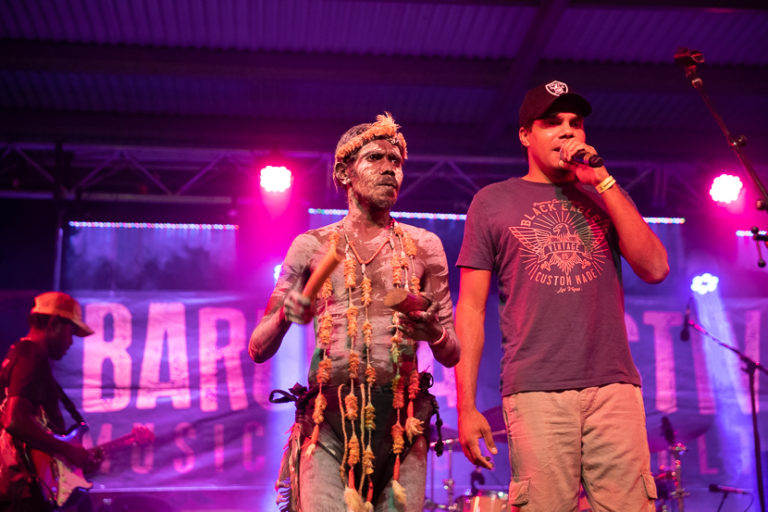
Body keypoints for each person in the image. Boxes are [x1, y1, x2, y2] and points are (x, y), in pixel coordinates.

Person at [454, 80, 669, 511]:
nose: (568, 131)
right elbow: (471, 309)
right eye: (552, 122)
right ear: (525, 135)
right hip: (536, 389)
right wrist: (466, 407)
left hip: (614, 386)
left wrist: (603, 181)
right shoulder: (493, 202)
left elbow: (656, 268)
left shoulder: (604, 194)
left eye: (576, 122)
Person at [249, 113, 460, 512]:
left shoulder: (425, 246)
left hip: (402, 423)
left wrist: (433, 331)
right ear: (344, 173)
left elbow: (452, 352)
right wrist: (284, 316)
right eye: (376, 158)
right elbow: (257, 348)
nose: (389, 169)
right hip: (327, 423)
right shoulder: (311, 245)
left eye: (396, 161)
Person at [0, 291, 102, 512]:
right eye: (71, 332)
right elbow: (14, 421)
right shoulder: (32, 356)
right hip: (23, 493)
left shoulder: (23, 354)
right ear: (53, 323)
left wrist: (70, 461)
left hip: (24, 490)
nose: (71, 342)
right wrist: (67, 450)